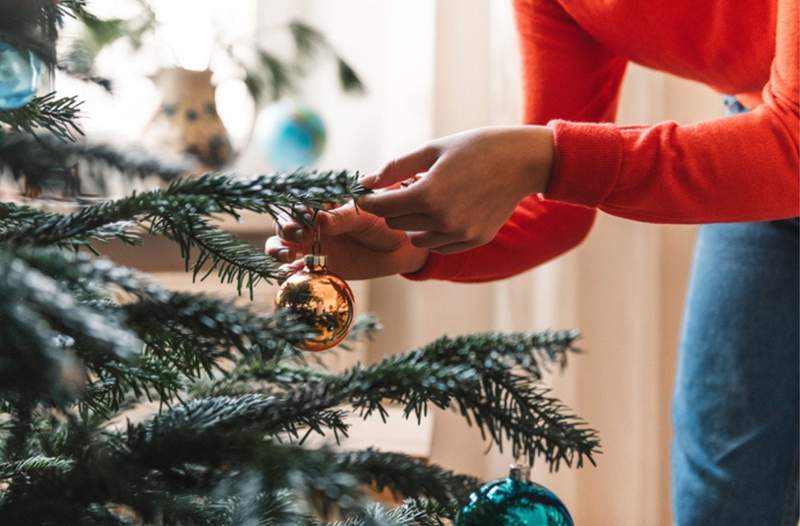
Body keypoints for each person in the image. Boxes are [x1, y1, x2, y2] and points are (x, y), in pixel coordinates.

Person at [266, 0, 799, 523]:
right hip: (761, 134)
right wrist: (413, 241)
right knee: (724, 485)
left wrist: (545, 156)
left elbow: (792, 148)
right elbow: (553, 212)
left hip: (783, 144)